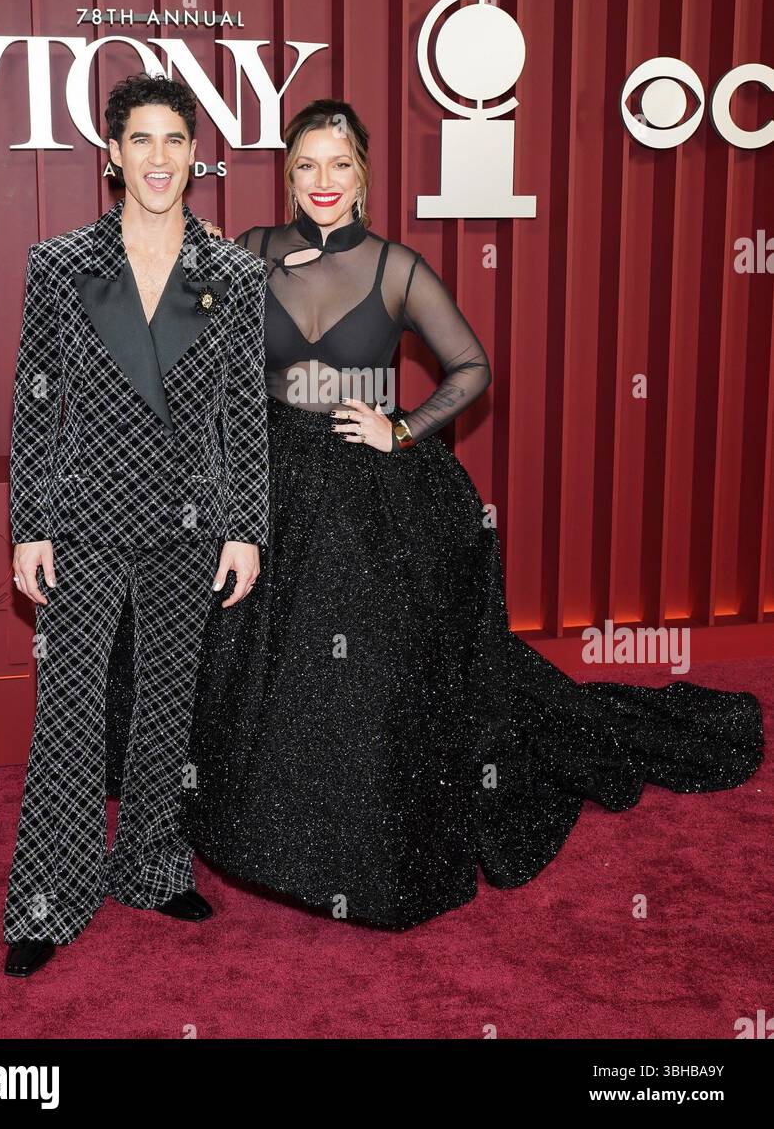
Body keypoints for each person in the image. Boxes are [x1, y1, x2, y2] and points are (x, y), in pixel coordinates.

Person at [176, 97, 764, 930]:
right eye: (306, 165)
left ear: (363, 174)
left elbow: (471, 366)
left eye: (339, 164)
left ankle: (365, 853)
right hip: (269, 478)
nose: (323, 181)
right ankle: (253, 830)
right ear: (289, 174)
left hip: (360, 491)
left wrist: (402, 428)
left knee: (365, 676)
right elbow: (209, 358)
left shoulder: (397, 267)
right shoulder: (251, 253)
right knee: (257, 665)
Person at [3, 72, 269, 975]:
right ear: (112, 156)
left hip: (188, 515)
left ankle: (153, 869)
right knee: (69, 709)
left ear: (197, 155)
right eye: (140, 142)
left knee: (165, 705)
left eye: (175, 141)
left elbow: (243, 412)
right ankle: (49, 894)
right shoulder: (59, 264)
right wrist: (29, 524)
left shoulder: (232, 272)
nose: (159, 159)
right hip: (82, 515)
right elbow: (37, 403)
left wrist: (246, 528)